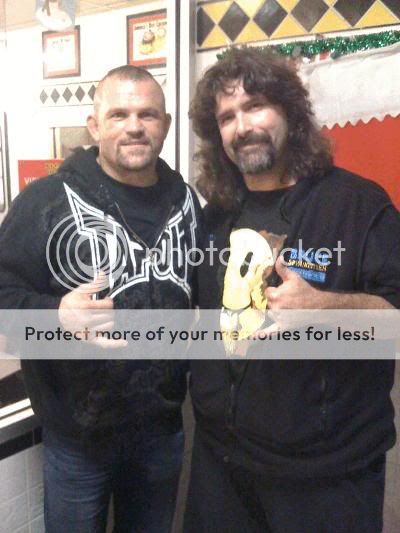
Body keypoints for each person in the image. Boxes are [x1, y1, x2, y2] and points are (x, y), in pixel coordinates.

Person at [184, 47, 400, 533]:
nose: (242, 127)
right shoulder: (216, 215)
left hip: (326, 474)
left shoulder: (357, 204)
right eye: (226, 117)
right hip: (222, 462)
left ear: (290, 111)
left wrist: (325, 309)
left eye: (255, 106)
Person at [0, 65, 202, 532]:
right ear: (94, 126)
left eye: (148, 114)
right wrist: (55, 314)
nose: (134, 127)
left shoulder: (186, 201)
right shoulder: (45, 200)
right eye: (118, 115)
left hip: (161, 429)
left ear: (167, 124)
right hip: (77, 440)